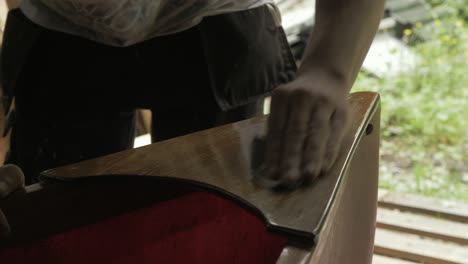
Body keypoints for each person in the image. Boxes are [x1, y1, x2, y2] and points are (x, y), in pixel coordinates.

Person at [0, 0, 384, 187]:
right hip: (60, 32)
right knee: (52, 219)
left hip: (218, 33)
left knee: (220, 217)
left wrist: (329, 71)